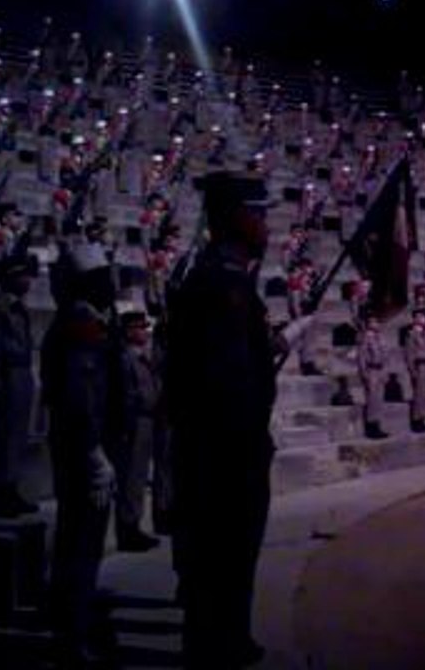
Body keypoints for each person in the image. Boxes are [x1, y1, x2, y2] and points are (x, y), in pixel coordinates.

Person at [165, 171, 310, 669]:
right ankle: (216, 647)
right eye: (259, 214)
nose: (266, 225)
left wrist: (278, 343)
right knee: (223, 555)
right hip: (224, 453)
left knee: (231, 557)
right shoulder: (222, 283)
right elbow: (225, 380)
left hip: (224, 448)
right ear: (237, 218)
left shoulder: (225, 278)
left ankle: (227, 638)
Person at [39, 241, 118, 666]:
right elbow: (79, 397)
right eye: (101, 278)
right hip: (81, 450)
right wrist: (93, 454)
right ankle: (73, 636)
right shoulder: (80, 325)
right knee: (82, 544)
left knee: (79, 540)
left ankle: (71, 625)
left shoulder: (81, 321)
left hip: (77, 446)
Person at [0, 254, 40, 518]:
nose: (28, 281)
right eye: (23, 276)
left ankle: (13, 487)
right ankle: (2, 492)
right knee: (7, 436)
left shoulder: (18, 307)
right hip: (8, 373)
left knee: (19, 436)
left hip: (23, 371)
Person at [115, 310, 162, 552]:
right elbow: (127, 394)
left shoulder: (143, 357)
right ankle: (127, 528)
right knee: (131, 478)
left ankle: (133, 524)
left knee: (140, 476)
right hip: (135, 421)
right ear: (129, 331)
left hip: (148, 419)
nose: (145, 332)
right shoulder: (126, 359)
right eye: (140, 328)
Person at [357, 314, 388, 439]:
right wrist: (364, 373)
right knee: (372, 399)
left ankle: (378, 425)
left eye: (377, 322)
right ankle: (371, 427)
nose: (376, 324)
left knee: (379, 400)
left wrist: (385, 371)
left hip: (380, 370)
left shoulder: (380, 337)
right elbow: (361, 357)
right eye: (373, 322)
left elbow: (385, 356)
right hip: (371, 370)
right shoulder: (366, 338)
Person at [404, 310, 425, 433]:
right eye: (420, 317)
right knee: (419, 394)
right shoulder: (412, 335)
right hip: (419, 366)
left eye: (424, 317)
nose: (423, 319)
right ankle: (417, 420)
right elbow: (409, 355)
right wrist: (412, 371)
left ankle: (423, 418)